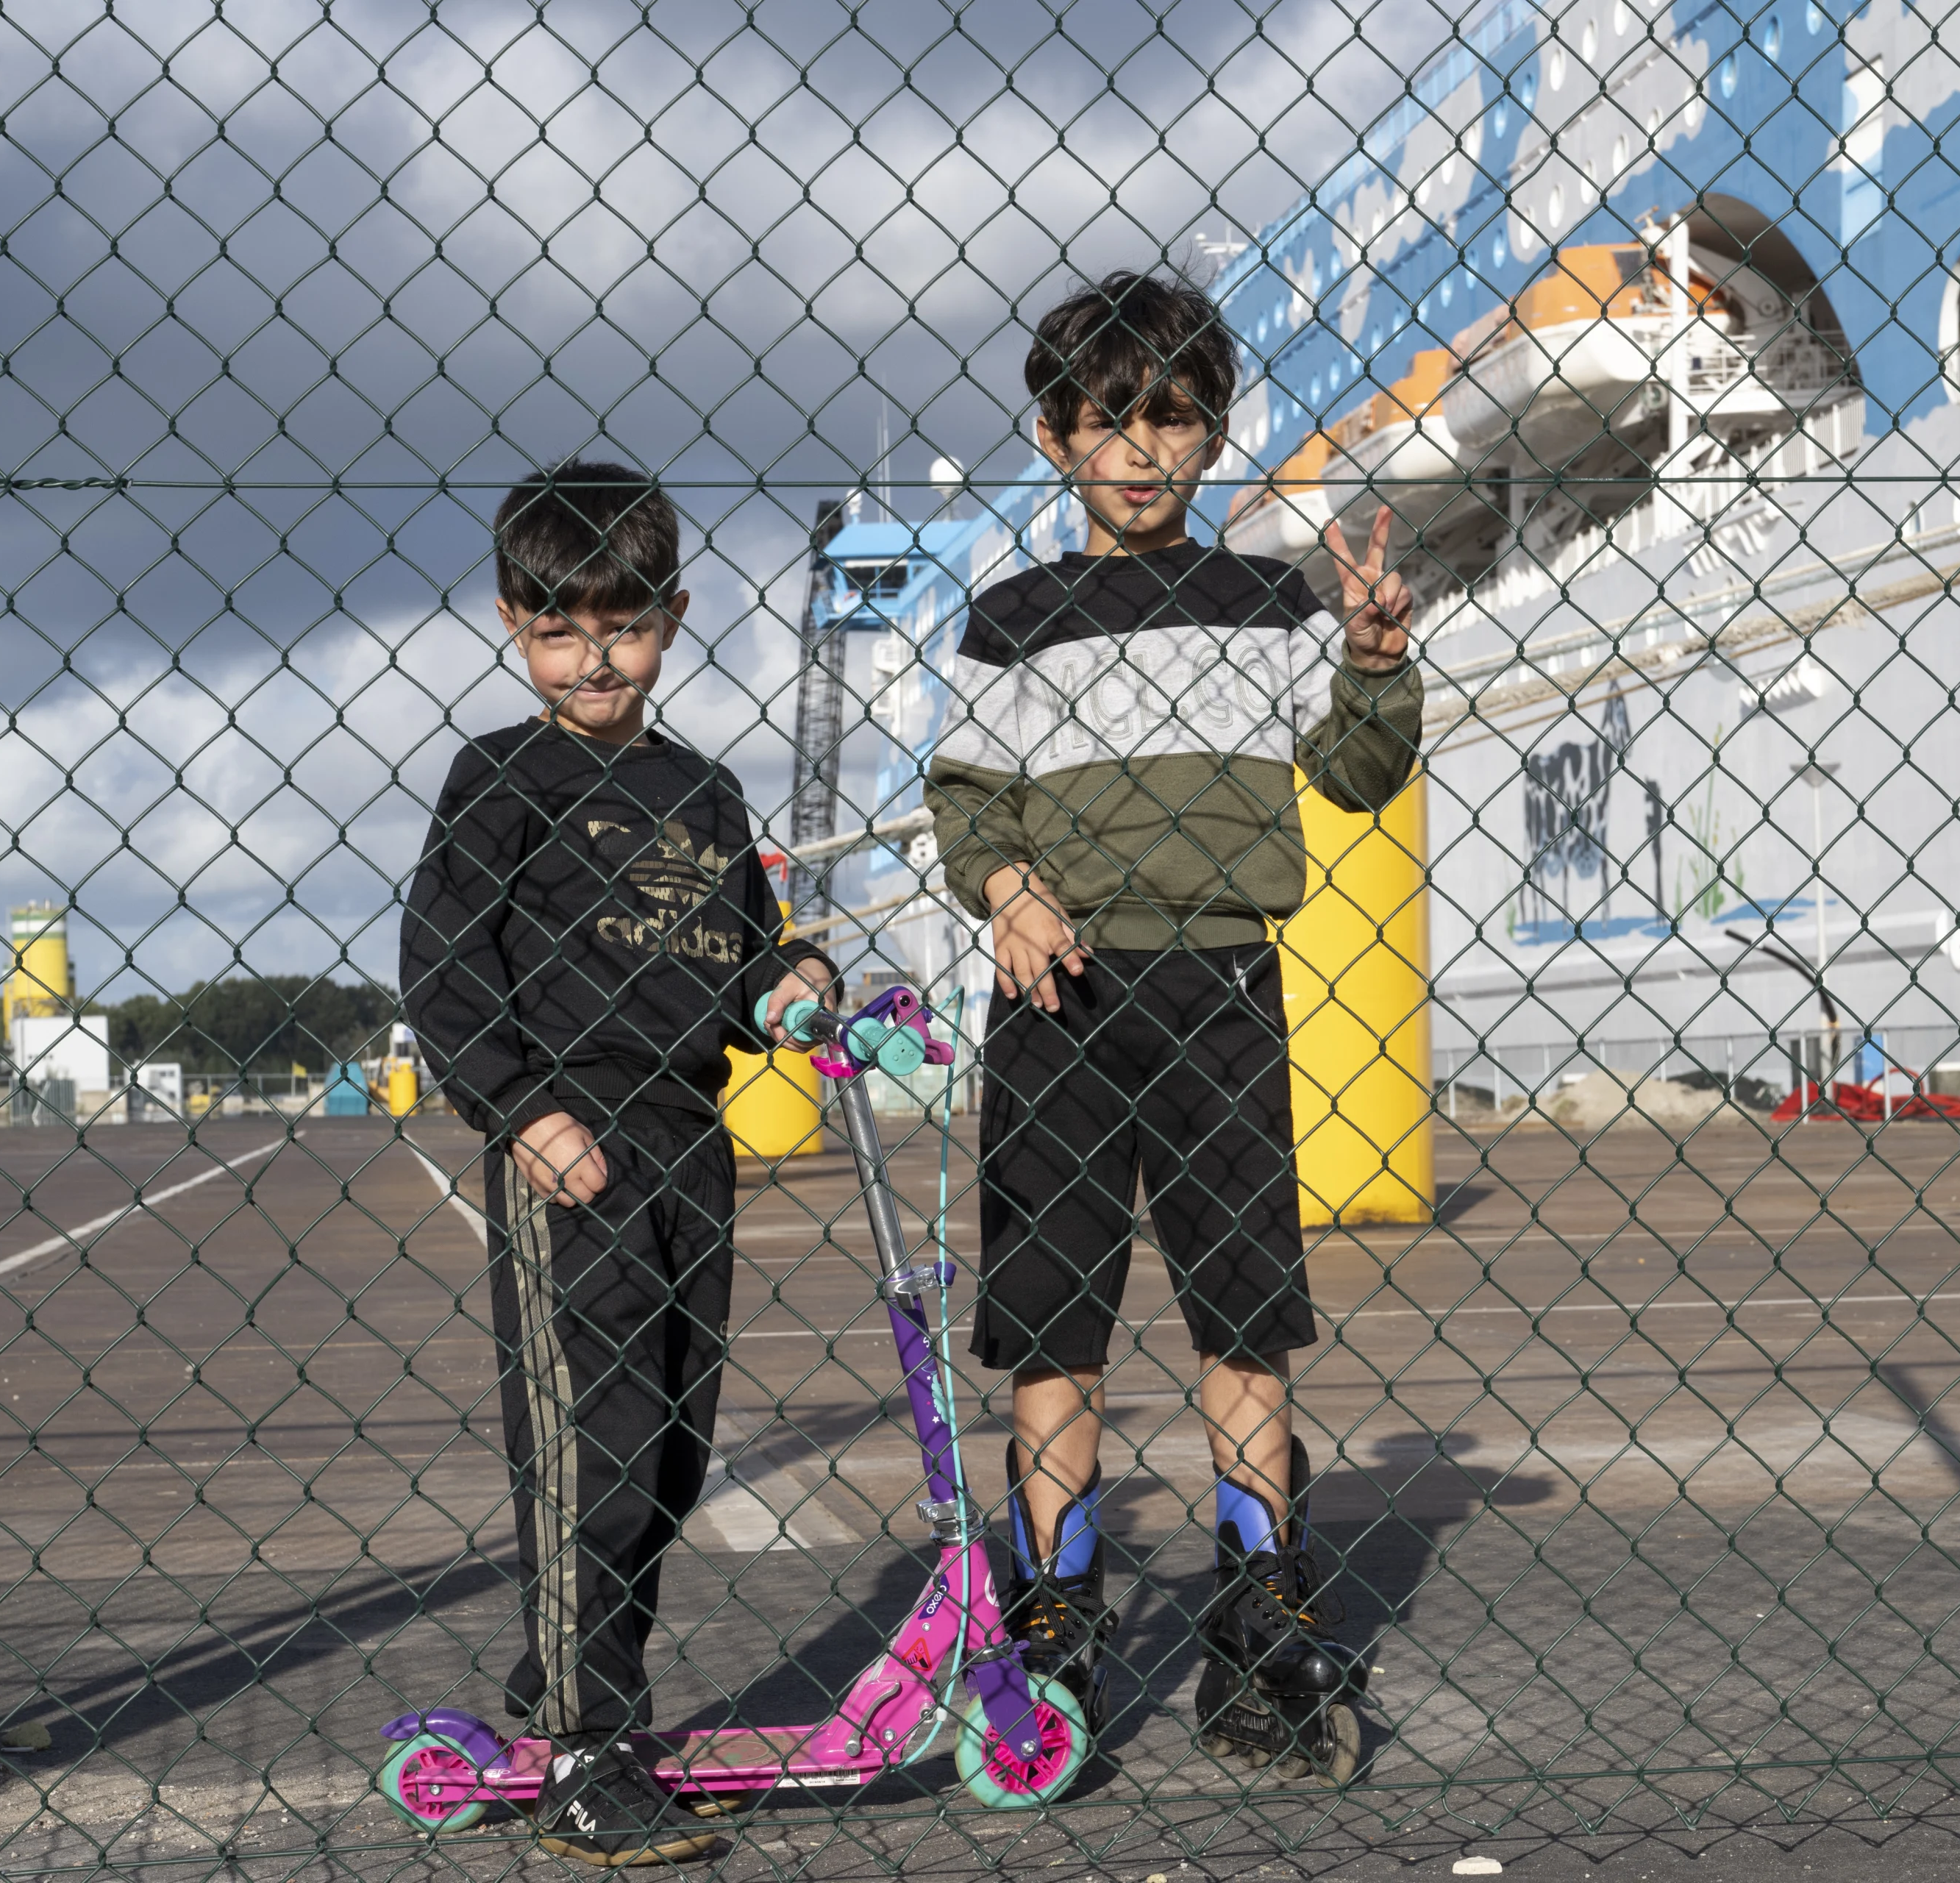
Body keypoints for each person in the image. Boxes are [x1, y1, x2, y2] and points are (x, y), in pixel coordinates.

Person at [926, 268, 1420, 1779]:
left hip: (1221, 995)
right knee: (1052, 1337)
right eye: (1107, 420)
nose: (1140, 449)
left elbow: (1351, 772)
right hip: (1057, 1003)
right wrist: (1008, 890)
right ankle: (1055, 1626)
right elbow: (966, 798)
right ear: (1054, 435)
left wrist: (1375, 662)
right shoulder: (1007, 622)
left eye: (1173, 418)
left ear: (1214, 434)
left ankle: (1262, 1625)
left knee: (1247, 1325)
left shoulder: (1272, 599)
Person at [402, 460, 835, 1865]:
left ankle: (571, 1688)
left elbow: (739, 961)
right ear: (515, 624)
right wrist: (524, 1111)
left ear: (675, 616)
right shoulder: (501, 777)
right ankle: (590, 1740)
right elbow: (446, 970)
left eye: (625, 624)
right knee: (591, 1444)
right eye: (561, 627)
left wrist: (794, 976)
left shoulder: (701, 793)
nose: (596, 656)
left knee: (670, 1446)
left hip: (686, 1141)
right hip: (567, 1142)